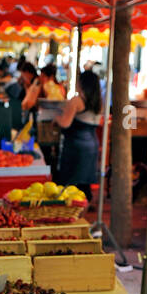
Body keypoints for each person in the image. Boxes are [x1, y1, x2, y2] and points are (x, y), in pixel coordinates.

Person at [55, 68, 103, 201]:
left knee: (69, 183)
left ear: (82, 84)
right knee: (84, 184)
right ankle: (83, 211)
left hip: (76, 146)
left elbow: (65, 123)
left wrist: (56, 117)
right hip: (92, 144)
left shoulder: (76, 100)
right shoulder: (99, 102)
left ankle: (72, 213)